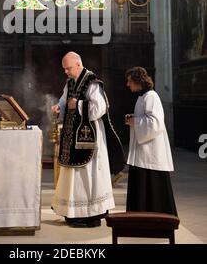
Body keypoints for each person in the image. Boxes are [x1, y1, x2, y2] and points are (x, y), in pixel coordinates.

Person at [51, 52, 125, 228]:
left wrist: (77, 105)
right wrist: (58, 107)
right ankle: (74, 213)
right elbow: (64, 101)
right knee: (73, 178)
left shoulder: (92, 82)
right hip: (71, 137)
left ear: (78, 64)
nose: (66, 72)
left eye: (68, 68)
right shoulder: (70, 83)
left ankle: (92, 215)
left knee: (88, 176)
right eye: (64, 69)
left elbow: (99, 108)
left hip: (89, 138)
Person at [125, 66, 177, 215]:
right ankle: (139, 217)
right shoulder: (142, 97)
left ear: (137, 81)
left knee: (151, 186)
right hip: (143, 151)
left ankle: (158, 218)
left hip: (151, 152)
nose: (128, 84)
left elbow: (155, 123)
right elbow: (145, 119)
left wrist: (135, 121)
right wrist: (135, 120)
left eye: (129, 81)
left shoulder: (151, 96)